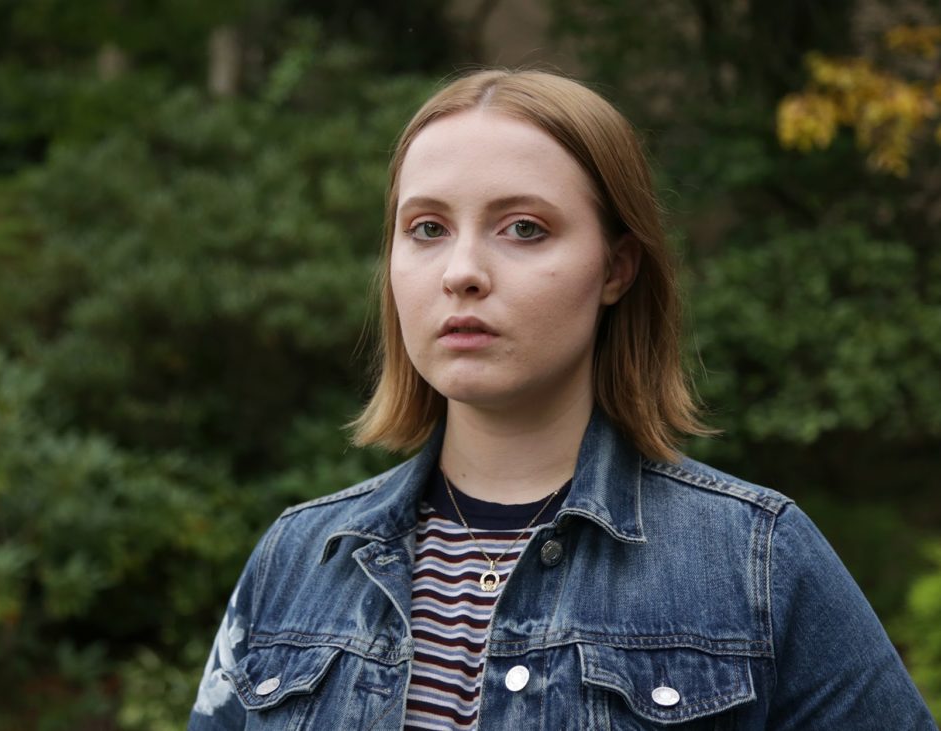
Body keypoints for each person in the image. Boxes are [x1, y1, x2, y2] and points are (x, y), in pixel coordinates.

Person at [187, 69, 936, 730]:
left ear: (615, 268)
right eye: (426, 228)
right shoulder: (298, 559)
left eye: (524, 228)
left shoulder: (756, 562)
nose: (463, 272)